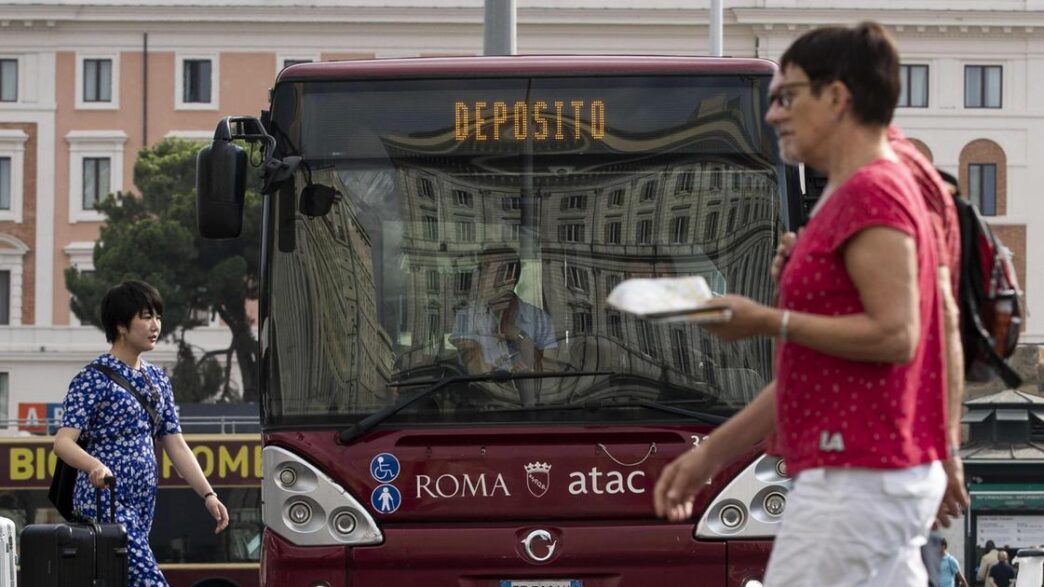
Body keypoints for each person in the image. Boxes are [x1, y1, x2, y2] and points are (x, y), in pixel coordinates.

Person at [653, 22, 949, 586]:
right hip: (864, 475)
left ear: (837, 98)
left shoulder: (872, 192)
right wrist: (710, 454)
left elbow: (896, 335)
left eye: (787, 97)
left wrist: (769, 319)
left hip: (857, 477)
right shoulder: (853, 194)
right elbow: (805, 374)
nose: (773, 115)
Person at [53, 281, 230, 586]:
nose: (155, 325)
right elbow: (63, 443)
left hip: (142, 502)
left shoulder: (158, 379)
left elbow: (175, 443)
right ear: (121, 326)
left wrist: (208, 494)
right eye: (146, 317)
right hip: (104, 500)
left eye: (158, 317)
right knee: (150, 581)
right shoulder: (92, 378)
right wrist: (94, 466)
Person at [450, 247, 557, 398]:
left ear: (508, 277)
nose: (478, 276)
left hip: (531, 407)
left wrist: (520, 337)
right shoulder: (466, 316)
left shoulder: (540, 320)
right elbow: (469, 356)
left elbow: (551, 373)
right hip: (480, 406)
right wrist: (486, 373)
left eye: (485, 269)